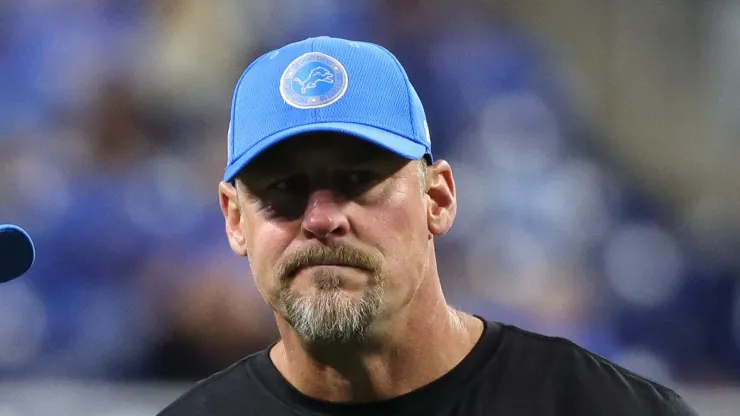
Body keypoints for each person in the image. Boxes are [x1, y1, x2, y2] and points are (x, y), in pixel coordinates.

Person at [157, 36, 698, 415]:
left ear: (437, 197)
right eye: (283, 192)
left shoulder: (597, 408)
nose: (322, 219)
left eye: (357, 180)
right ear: (234, 219)